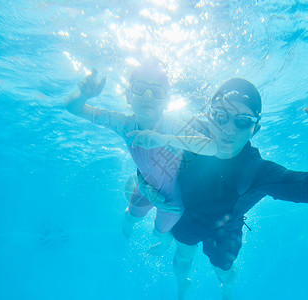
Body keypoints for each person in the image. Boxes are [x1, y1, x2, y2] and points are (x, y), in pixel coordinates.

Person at [128, 59, 308, 299]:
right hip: (188, 217)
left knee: (222, 270)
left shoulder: (256, 171)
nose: (227, 129)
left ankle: (227, 289)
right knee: (181, 259)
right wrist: (145, 184)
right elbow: (152, 162)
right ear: (209, 116)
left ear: (254, 130)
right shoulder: (187, 136)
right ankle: (182, 290)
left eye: (242, 121)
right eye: (220, 116)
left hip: (225, 230)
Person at [64, 59, 218, 254]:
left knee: (158, 233)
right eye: (140, 88)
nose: (148, 96)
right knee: (129, 217)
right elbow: (72, 107)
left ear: (167, 101)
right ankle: (127, 236)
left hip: (171, 202)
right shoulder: (124, 124)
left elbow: (212, 148)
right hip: (144, 188)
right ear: (128, 96)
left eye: (157, 91)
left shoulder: (173, 126)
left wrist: (162, 139)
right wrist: (83, 95)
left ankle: (164, 242)